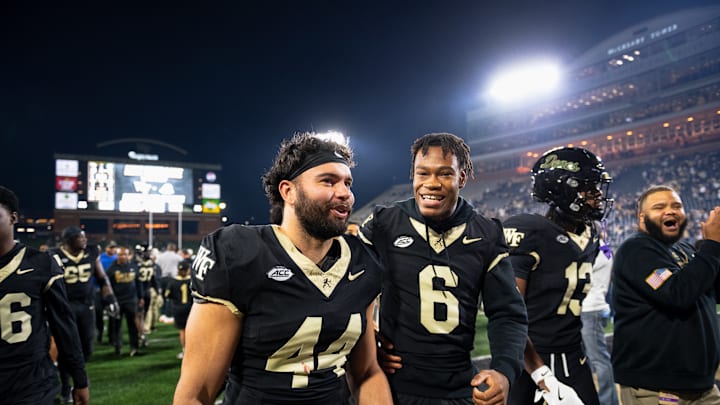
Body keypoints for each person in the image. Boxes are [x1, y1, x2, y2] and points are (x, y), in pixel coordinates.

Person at [173, 132, 392, 404]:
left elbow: (366, 372)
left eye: (348, 183)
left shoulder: (362, 262)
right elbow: (198, 392)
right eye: (328, 181)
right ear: (288, 191)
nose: (344, 193)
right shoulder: (240, 253)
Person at [358, 132, 528, 404]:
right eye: (422, 174)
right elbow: (348, 293)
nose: (431, 184)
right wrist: (365, 344)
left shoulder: (486, 233)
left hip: (460, 388)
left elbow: (507, 313)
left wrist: (504, 372)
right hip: (395, 388)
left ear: (461, 178)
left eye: (444, 174)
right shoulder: (383, 223)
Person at [503, 147, 613, 405]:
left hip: (575, 358)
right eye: (588, 187)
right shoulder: (529, 231)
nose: (597, 194)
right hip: (530, 362)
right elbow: (507, 315)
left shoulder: (590, 236)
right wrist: (542, 377)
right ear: (564, 189)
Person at [612, 185, 720, 404]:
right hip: (657, 388)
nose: (670, 211)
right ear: (641, 218)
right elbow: (676, 294)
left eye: (676, 206)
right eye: (659, 207)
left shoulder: (684, 250)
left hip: (701, 385)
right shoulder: (636, 250)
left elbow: (711, 293)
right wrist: (711, 245)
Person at [0, 185, 90, 405]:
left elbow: (64, 327)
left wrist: (80, 379)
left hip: (30, 383)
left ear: (13, 218)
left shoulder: (40, 264)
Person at [49, 226, 119, 403]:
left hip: (87, 305)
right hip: (64, 307)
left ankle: (73, 380)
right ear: (69, 240)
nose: (84, 240)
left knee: (87, 347)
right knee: (67, 348)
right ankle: (66, 386)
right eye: (80, 237)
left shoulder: (91, 252)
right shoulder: (54, 255)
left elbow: (102, 277)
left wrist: (110, 298)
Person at [580, 234, 619, 405]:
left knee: (598, 359)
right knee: (588, 359)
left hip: (591, 308)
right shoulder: (604, 247)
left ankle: (608, 401)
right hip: (595, 305)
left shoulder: (593, 247)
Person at [106, 245, 144, 356]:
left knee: (132, 325)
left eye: (125, 254)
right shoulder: (111, 269)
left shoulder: (134, 267)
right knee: (116, 325)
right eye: (121, 254)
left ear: (129, 255)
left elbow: (138, 283)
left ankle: (134, 347)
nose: (123, 256)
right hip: (117, 301)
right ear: (117, 255)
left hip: (131, 300)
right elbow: (107, 286)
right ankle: (118, 348)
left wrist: (140, 297)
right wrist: (109, 301)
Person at [164, 259, 193, 359]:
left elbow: (167, 295)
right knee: (193, 330)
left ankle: (185, 351)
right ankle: (194, 350)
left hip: (178, 308)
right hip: (190, 307)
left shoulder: (172, 282)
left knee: (182, 330)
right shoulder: (192, 280)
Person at [134, 243, 160, 346]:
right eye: (147, 252)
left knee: (143, 313)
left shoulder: (150, 263)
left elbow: (154, 279)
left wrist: (158, 291)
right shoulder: (135, 264)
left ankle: (141, 334)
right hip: (136, 292)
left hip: (147, 291)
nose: (149, 254)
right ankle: (139, 334)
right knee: (137, 314)